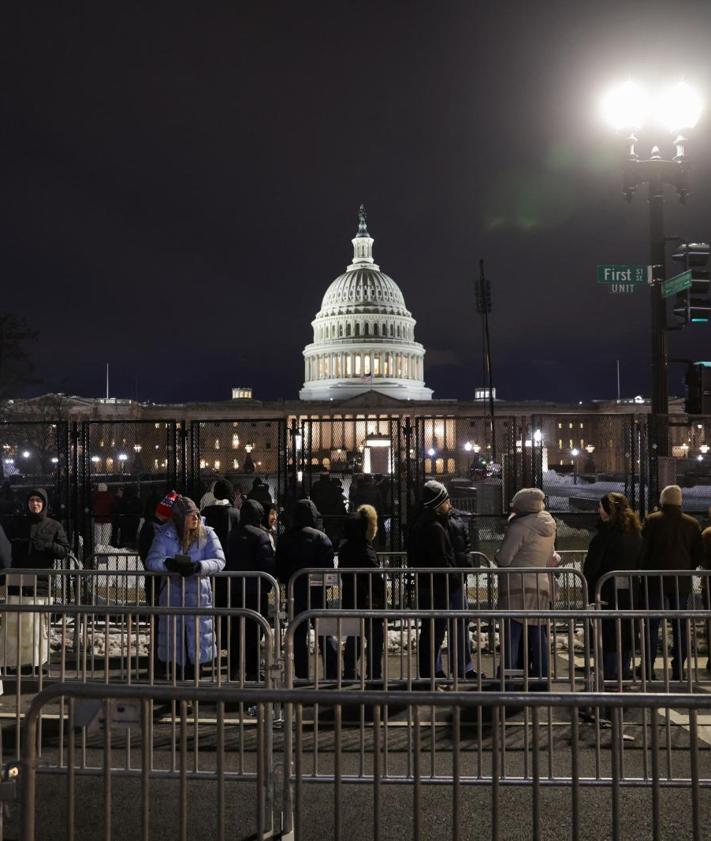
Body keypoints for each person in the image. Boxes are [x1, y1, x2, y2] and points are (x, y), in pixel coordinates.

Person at [145, 496, 225, 680]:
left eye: (196, 514)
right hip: (173, 599)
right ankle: (179, 696)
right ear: (180, 518)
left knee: (196, 651)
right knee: (176, 650)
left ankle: (192, 695)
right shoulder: (164, 535)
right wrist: (169, 565)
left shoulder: (208, 534)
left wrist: (199, 567)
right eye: (190, 515)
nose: (195, 518)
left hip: (199, 600)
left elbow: (219, 560)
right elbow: (152, 560)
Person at [640, 484, 704, 681]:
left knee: (652, 624)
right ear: (680, 501)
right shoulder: (692, 524)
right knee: (680, 625)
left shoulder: (652, 521)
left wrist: (643, 571)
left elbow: (643, 550)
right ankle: (679, 667)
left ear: (662, 500)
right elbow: (698, 553)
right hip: (681, 581)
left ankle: (648, 666)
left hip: (654, 581)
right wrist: (687, 569)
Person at [496, 488, 556, 682]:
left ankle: (509, 678)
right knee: (538, 634)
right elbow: (550, 556)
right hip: (540, 585)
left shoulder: (519, 526)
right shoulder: (548, 524)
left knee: (512, 636)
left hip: (517, 587)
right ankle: (542, 677)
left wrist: (497, 554)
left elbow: (504, 559)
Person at [276, 499, 338, 681]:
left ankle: (302, 674)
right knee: (325, 633)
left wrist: (289, 581)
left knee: (299, 634)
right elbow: (328, 569)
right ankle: (331, 673)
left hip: (295, 592)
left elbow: (280, 567)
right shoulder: (321, 538)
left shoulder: (285, 538)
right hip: (317, 592)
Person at [583, 493, 643, 681]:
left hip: (606, 591)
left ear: (609, 510)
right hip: (630, 591)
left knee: (608, 634)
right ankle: (622, 672)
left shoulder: (604, 537)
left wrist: (589, 589)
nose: (598, 510)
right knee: (625, 633)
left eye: (600, 506)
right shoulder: (635, 534)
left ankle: (609, 675)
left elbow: (592, 566)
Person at [408, 481, 461, 680]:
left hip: (426, 585)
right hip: (437, 588)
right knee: (434, 635)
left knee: (428, 633)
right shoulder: (435, 528)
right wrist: (454, 579)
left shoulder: (420, 524)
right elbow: (442, 560)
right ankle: (429, 676)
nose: (449, 505)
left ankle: (427, 674)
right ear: (438, 503)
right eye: (446, 501)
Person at [225, 499, 276, 682]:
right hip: (255, 591)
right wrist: (268, 584)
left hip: (235, 588)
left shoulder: (232, 534)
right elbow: (267, 564)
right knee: (254, 631)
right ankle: (253, 671)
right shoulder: (261, 536)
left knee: (236, 632)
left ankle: (234, 668)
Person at [337, 505, 386, 681]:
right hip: (368, 601)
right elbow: (375, 577)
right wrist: (381, 597)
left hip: (352, 598)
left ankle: (349, 671)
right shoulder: (365, 550)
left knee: (354, 637)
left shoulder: (345, 548)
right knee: (375, 639)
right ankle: (374, 674)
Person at [7, 488, 71, 594]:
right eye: (31, 500)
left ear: (44, 503)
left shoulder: (54, 525)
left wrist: (48, 545)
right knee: (17, 610)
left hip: (42, 583)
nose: (35, 503)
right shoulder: (18, 523)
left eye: (38, 500)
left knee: (40, 610)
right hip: (18, 581)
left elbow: (64, 550)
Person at [138, 490, 178, 605]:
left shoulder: (155, 526)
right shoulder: (153, 528)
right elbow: (147, 555)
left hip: (158, 579)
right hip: (157, 579)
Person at [92, 482, 114, 548]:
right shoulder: (109, 497)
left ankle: (98, 549)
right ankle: (105, 549)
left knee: (97, 537)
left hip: (97, 519)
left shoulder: (95, 497)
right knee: (105, 537)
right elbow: (113, 507)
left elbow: (93, 506)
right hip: (107, 519)